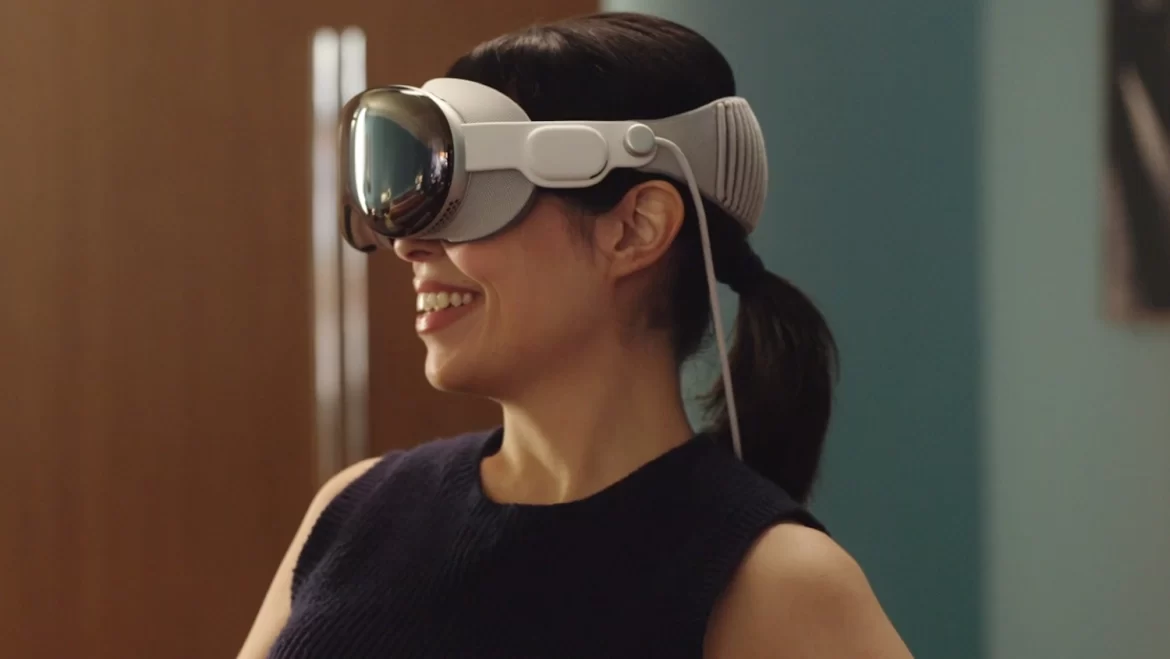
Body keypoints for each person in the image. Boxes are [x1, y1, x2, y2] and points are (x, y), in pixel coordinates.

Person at [238, 12, 912, 659]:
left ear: (636, 229)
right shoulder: (354, 509)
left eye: (468, 197)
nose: (410, 245)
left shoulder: (773, 581)